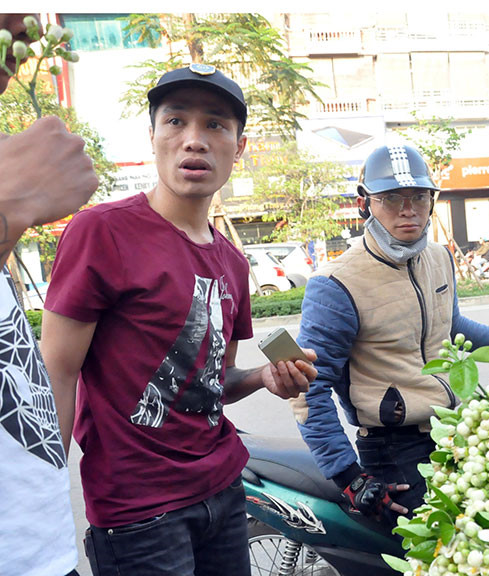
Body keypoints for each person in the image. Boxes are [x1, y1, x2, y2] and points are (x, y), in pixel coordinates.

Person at [40, 64, 318, 576]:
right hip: (139, 512)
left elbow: (212, 383)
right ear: (153, 136)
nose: (194, 140)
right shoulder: (101, 232)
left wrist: (263, 378)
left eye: (215, 125)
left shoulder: (233, 263)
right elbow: (55, 373)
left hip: (225, 490)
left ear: (239, 147)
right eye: (175, 122)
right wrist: (42, 498)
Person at [292, 142, 489, 525]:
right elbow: (308, 388)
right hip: (393, 449)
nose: (407, 208)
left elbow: (451, 326)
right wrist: (349, 477)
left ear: (433, 200)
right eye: (391, 197)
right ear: (366, 203)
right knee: (443, 554)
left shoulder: (438, 257)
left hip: (454, 428)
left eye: (418, 196)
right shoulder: (336, 284)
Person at [0, 13, 99, 576]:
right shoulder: (100, 233)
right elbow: (61, 367)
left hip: (41, 546)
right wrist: (11, 204)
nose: (26, 24)